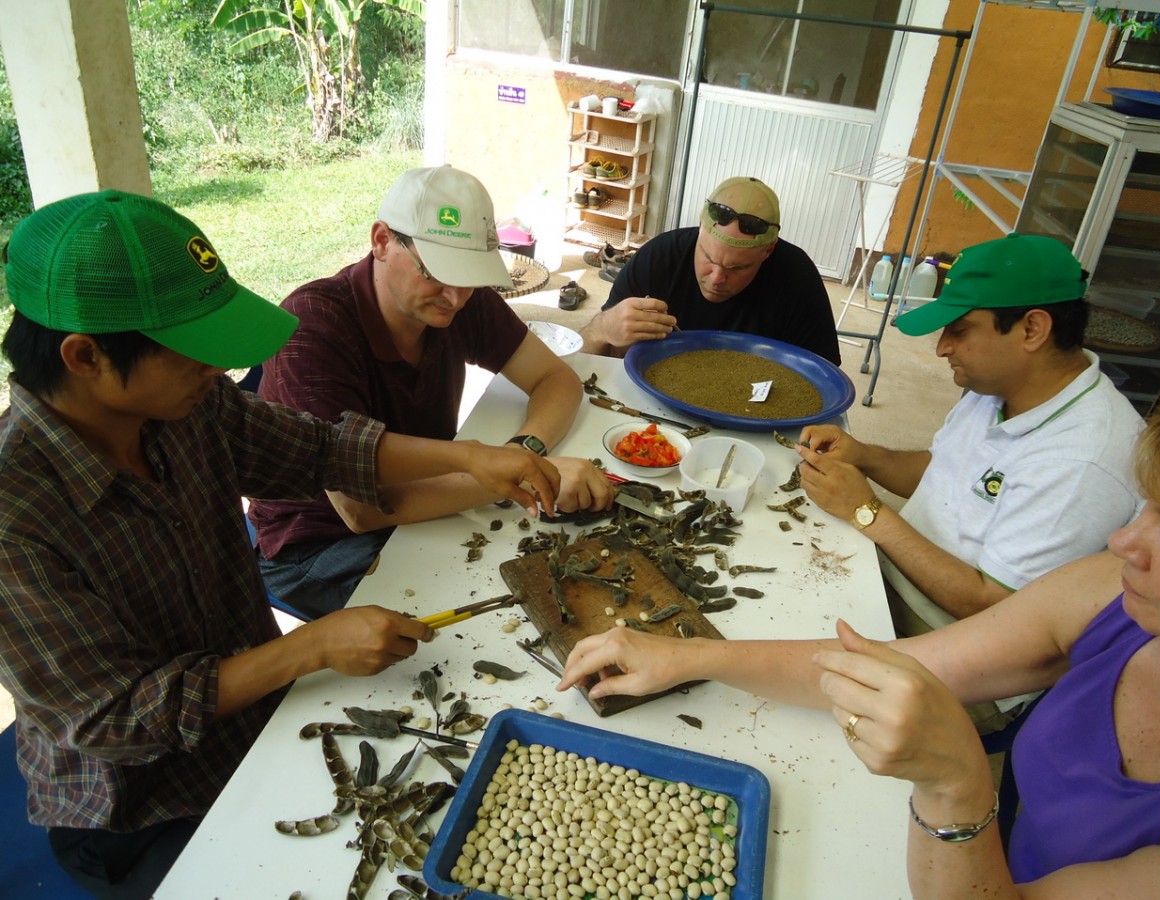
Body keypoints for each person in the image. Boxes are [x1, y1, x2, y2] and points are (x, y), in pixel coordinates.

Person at [0, 189, 562, 898]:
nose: (218, 370)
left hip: (257, 720)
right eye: (196, 352)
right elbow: (114, 717)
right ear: (85, 357)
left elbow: (320, 449)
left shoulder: (187, 405)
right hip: (142, 806)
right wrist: (314, 647)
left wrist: (474, 459)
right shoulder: (15, 518)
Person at [557, 377, 1160, 895]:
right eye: (1146, 509)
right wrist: (688, 655)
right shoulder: (1110, 593)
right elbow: (898, 665)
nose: (1123, 541)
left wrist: (957, 788)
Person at [250, 166, 611, 619]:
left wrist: (525, 452)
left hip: (421, 503)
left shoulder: (458, 298)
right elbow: (362, 512)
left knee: (551, 568)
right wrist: (518, 475)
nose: (455, 297)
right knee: (505, 610)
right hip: (317, 542)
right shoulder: (314, 330)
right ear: (381, 240)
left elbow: (555, 379)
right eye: (437, 271)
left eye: (468, 276)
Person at [795, 234, 1142, 643]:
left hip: (948, 636)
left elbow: (992, 604)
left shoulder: (1084, 460)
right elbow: (942, 472)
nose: (942, 348)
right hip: (893, 572)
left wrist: (865, 510)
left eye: (959, 330)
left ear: (1032, 328)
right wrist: (864, 455)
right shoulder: (998, 386)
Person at [578, 176, 840, 364]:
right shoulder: (659, 257)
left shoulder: (797, 278)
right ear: (700, 228)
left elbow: (822, 382)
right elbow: (581, 360)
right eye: (708, 258)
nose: (716, 279)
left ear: (768, 250)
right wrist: (603, 327)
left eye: (738, 267)